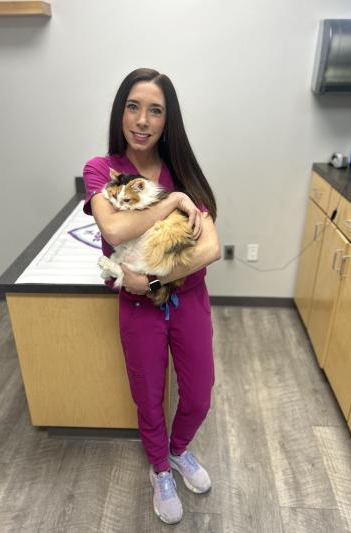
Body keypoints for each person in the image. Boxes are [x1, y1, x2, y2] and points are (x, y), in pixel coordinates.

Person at [82, 68, 221, 525]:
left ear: (168, 120)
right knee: (148, 396)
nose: (142, 120)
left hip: (184, 300)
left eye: (155, 110)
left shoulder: (182, 169)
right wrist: (172, 202)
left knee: (198, 394)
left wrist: (156, 281)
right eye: (133, 107)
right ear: (121, 112)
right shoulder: (101, 170)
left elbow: (210, 249)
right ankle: (160, 468)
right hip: (137, 309)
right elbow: (115, 228)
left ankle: (179, 451)